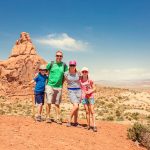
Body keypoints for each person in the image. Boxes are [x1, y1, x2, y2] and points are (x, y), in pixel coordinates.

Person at [45, 50, 68, 124]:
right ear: (55, 56)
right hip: (50, 85)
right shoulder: (51, 64)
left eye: (60, 56)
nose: (59, 57)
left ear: (62, 57)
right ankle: (48, 117)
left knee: (57, 103)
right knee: (48, 102)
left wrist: (62, 82)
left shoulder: (64, 65)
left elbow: (66, 75)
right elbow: (45, 71)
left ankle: (58, 118)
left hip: (59, 86)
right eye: (57, 55)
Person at [64, 60, 81, 127]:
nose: (72, 66)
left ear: (75, 66)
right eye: (71, 65)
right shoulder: (66, 73)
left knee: (77, 108)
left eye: (73, 65)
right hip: (71, 91)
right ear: (69, 66)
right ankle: (69, 120)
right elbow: (64, 80)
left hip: (79, 91)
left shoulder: (79, 73)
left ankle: (75, 122)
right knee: (75, 106)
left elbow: (83, 80)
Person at [80, 67, 97, 132]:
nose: (84, 73)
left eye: (85, 72)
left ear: (88, 72)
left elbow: (95, 88)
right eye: (83, 72)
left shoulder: (90, 80)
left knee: (92, 111)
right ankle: (88, 125)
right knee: (87, 111)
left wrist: (90, 91)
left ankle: (94, 126)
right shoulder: (80, 80)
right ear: (82, 72)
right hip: (84, 97)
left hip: (90, 96)